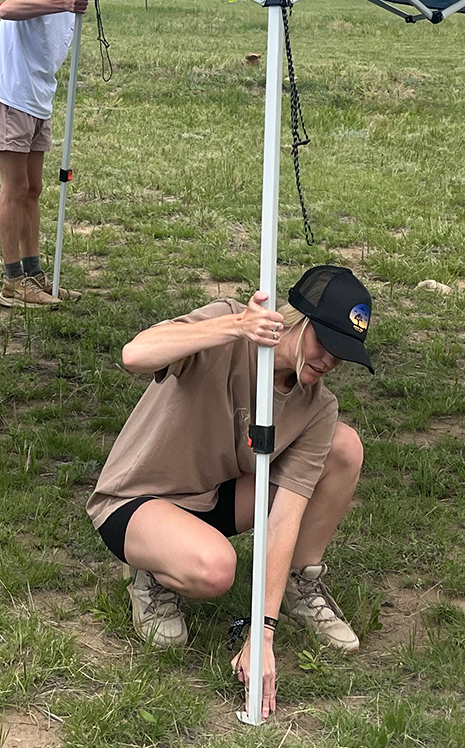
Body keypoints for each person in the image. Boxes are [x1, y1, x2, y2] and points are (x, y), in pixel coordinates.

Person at [90, 265, 371, 719]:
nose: (329, 362)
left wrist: (263, 632)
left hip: (213, 499)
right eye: (326, 344)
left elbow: (285, 517)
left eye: (343, 356)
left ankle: (299, 584)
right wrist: (233, 326)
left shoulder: (316, 406)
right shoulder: (228, 324)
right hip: (137, 499)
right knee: (217, 569)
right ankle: (150, 572)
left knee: (344, 446)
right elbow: (135, 353)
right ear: (298, 321)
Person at [0, 0, 102, 308]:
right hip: (10, 94)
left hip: (38, 100)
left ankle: (34, 275)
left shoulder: (76, 3)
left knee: (33, 189)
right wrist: (62, 3)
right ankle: (11, 281)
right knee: (15, 187)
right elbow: (8, 8)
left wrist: (70, 7)